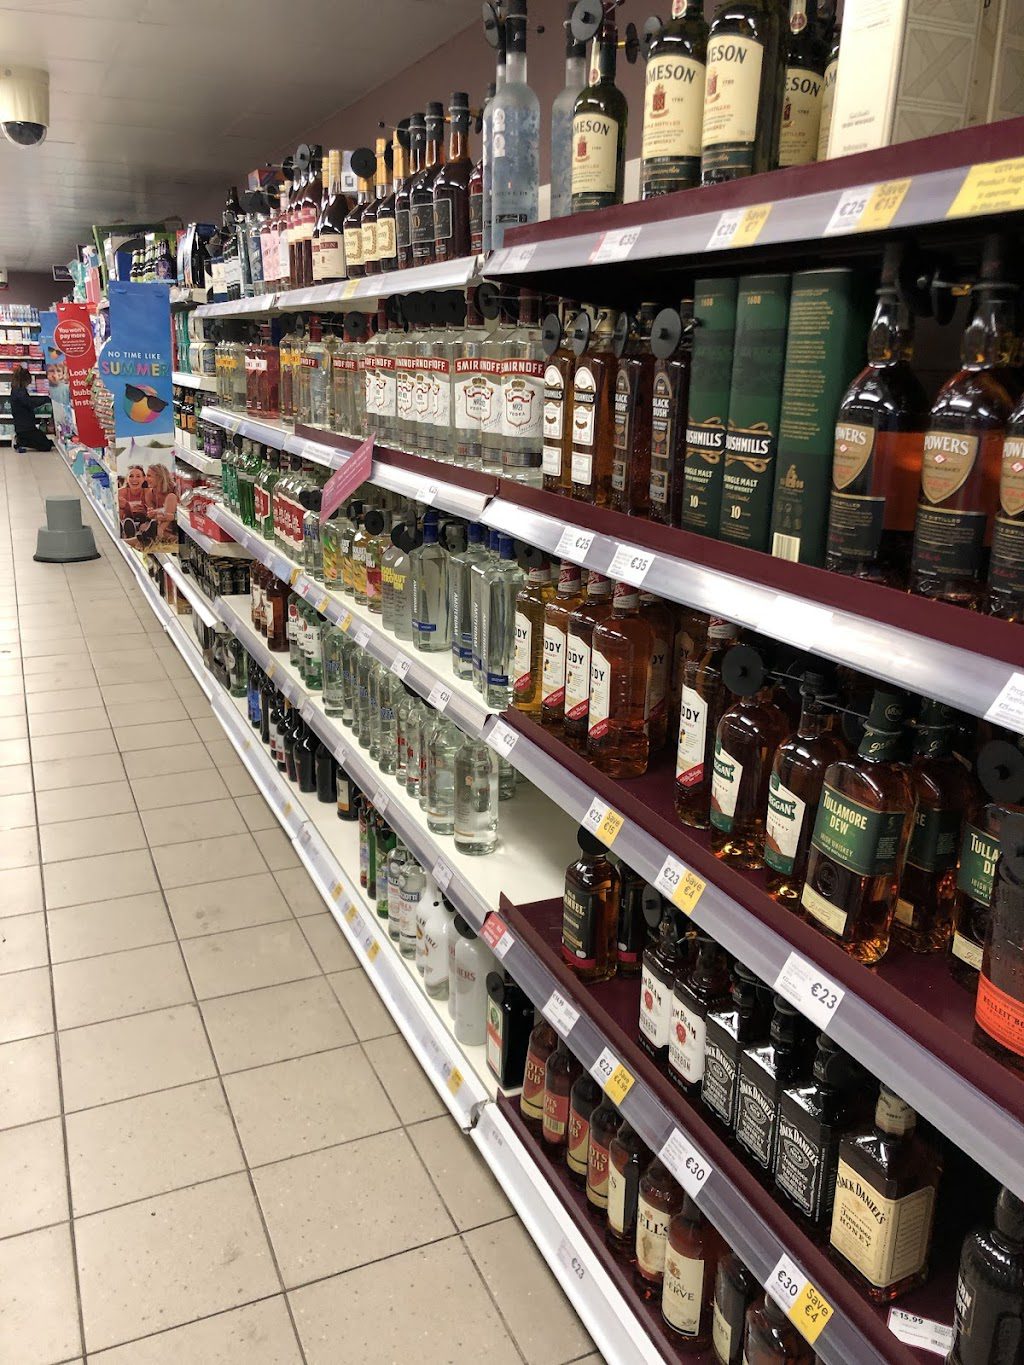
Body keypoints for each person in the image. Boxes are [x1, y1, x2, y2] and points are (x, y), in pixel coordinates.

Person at [8, 365, 52, 451]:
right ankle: (21, 441)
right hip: (26, 428)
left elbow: (28, 401)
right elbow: (30, 403)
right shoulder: (19, 392)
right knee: (46, 446)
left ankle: (22, 439)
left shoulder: (17, 390)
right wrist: (46, 399)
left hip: (24, 426)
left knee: (47, 442)